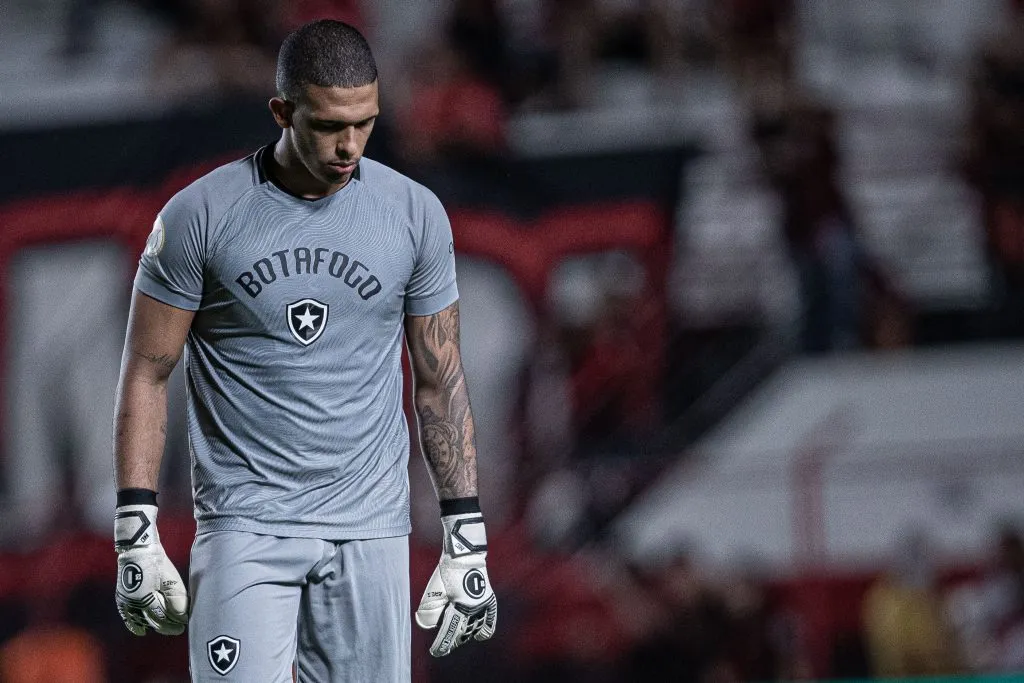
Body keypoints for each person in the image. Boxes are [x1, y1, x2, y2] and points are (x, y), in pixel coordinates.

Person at [111, 19, 496, 682]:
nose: (349, 146)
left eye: (364, 122)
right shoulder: (198, 215)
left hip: (371, 531)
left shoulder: (414, 214)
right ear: (282, 112)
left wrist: (466, 535)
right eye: (327, 126)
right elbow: (147, 369)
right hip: (246, 529)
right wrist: (135, 525)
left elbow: (439, 379)